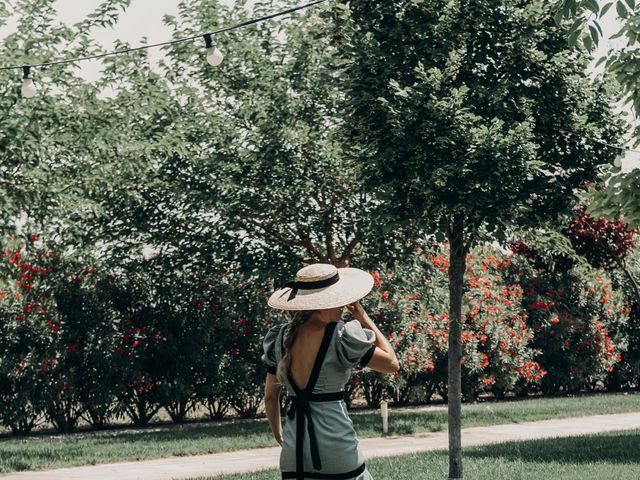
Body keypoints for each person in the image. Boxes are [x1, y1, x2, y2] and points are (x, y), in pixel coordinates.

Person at [261, 263, 399, 480]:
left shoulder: (280, 338)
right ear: (323, 304)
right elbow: (392, 363)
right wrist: (364, 317)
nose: (343, 306)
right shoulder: (341, 336)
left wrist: (280, 435)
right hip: (336, 445)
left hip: (294, 451)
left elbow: (270, 397)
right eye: (338, 301)